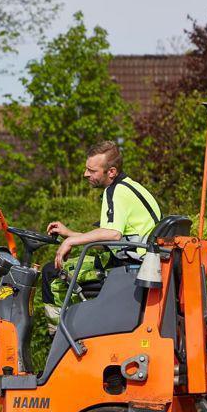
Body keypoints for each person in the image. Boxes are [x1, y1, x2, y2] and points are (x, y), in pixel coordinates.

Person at [41, 140, 161, 333]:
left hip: (129, 271)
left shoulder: (115, 193)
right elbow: (114, 240)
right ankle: (81, 331)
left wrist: (71, 241)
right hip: (141, 264)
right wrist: (69, 234)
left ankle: (59, 339)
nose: (85, 174)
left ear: (111, 172)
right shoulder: (132, 187)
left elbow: (113, 234)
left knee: (51, 274)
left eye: (92, 170)